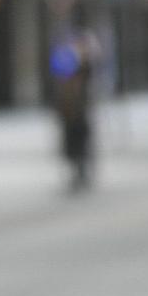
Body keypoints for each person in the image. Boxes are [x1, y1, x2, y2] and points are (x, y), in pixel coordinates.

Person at [49, 10, 102, 193]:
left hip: (80, 104)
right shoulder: (64, 53)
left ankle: (82, 167)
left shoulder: (86, 55)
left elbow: (91, 71)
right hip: (68, 104)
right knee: (71, 137)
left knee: (82, 136)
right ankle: (75, 167)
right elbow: (57, 74)